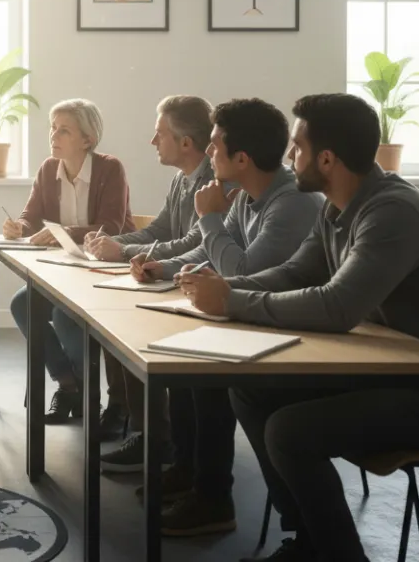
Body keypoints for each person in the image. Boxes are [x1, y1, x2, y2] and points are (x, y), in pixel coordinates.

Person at [180, 93, 419, 562]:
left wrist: (232, 299)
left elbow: (337, 306)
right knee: (249, 388)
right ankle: (309, 539)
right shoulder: (336, 206)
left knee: (289, 432)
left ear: (327, 158)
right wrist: (220, 291)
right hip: (389, 367)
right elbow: (295, 274)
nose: (289, 158)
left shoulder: (392, 211)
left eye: (296, 148)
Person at [122, 99, 321, 535]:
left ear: (242, 159)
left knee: (208, 375)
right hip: (261, 322)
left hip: (299, 336)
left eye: (214, 148)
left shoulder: (291, 203)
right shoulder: (246, 195)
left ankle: (213, 498)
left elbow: (241, 274)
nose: (209, 157)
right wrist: (164, 267)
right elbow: (210, 252)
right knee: (192, 364)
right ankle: (191, 473)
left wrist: (209, 218)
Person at [83, 95, 215, 438]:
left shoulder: (215, 180)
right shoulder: (181, 177)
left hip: (196, 285)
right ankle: (135, 422)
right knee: (113, 322)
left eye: (160, 133)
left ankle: (152, 437)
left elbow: (193, 245)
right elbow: (161, 230)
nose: (152, 141)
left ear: (186, 142)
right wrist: (118, 244)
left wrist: (123, 251)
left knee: (126, 329)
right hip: (176, 278)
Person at [3, 98, 135, 427]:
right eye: (53, 128)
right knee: (22, 305)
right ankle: (69, 384)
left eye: (64, 130)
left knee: (65, 315)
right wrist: (18, 227)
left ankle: (93, 394)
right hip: (66, 272)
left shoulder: (110, 168)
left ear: (87, 139)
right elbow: (30, 218)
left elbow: (112, 226)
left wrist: (65, 231)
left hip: (108, 270)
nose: (54, 135)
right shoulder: (49, 169)